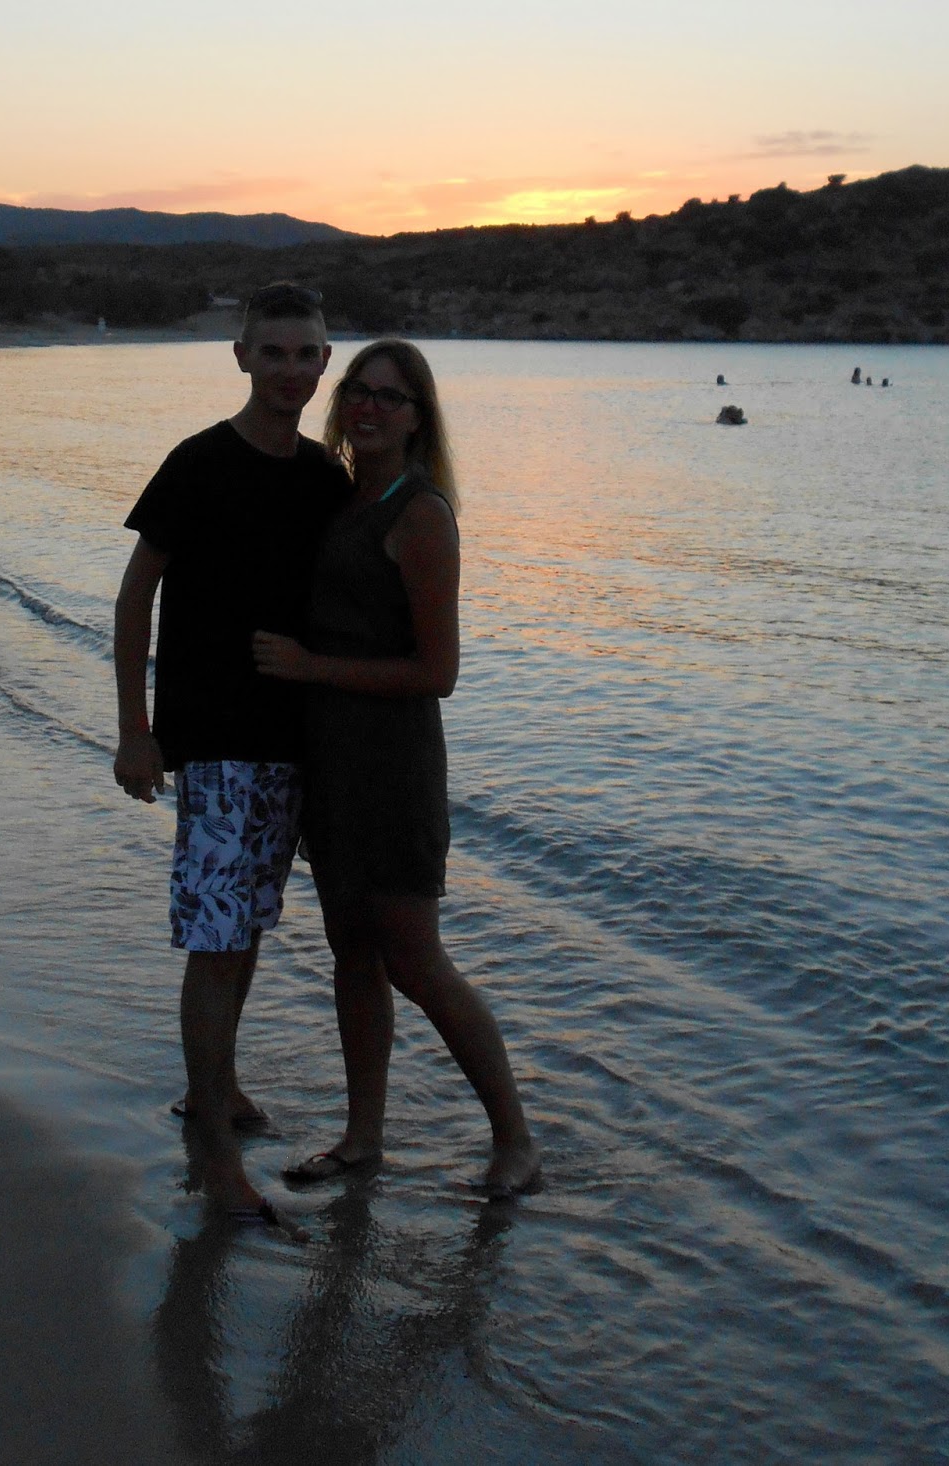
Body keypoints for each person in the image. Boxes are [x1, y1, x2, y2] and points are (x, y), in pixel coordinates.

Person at [253, 340, 541, 1199]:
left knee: (415, 960)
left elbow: (437, 671)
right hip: (331, 763)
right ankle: (363, 1138)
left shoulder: (419, 513)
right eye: (360, 391)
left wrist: (311, 668)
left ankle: (517, 1143)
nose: (370, 407)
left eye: (391, 397)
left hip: (393, 768)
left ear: (419, 418)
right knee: (351, 952)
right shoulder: (344, 499)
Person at [112, 282, 349, 1224]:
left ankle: (219, 1087)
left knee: (245, 929)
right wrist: (136, 731)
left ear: (325, 363)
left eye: (306, 354)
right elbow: (137, 596)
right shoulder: (199, 463)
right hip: (213, 745)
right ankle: (214, 1151)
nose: (290, 369)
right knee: (217, 944)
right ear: (242, 356)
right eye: (273, 352)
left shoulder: (323, 477)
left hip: (290, 743)